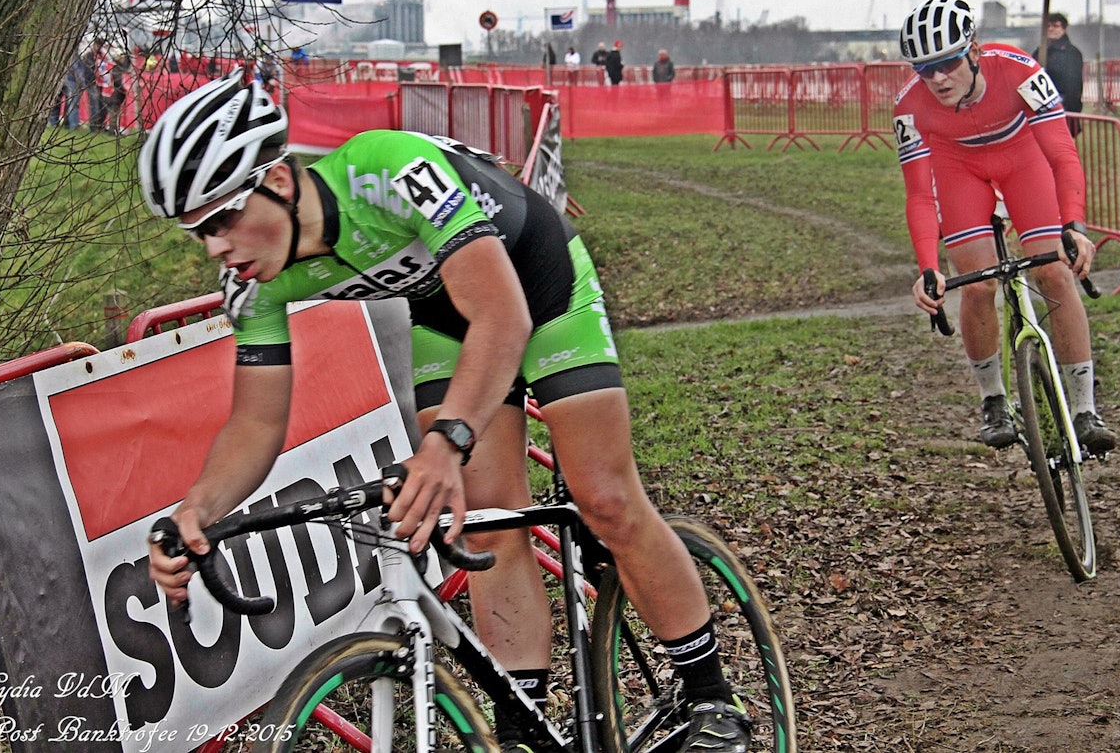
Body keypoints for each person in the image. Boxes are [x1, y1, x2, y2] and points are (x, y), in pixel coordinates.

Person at [140, 71, 752, 753]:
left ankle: (709, 694)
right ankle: (526, 726)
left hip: (534, 285)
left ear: (278, 182)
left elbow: (502, 313)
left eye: (221, 218)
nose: (215, 247)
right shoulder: (253, 284)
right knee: (487, 524)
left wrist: (444, 444)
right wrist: (197, 508)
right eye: (197, 231)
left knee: (605, 496)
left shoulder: (389, 168)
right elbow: (255, 423)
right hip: (445, 316)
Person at [893, 0, 1117, 454]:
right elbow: (919, 193)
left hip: (1023, 160)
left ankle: (1084, 408)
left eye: (947, 62)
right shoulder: (910, 106)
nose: (936, 77)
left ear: (972, 51)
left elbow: (1060, 152)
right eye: (923, 68)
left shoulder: (1019, 72)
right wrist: (928, 265)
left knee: (1053, 271)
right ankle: (993, 399)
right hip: (958, 171)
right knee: (976, 286)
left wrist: (1073, 224)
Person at [1042, 13, 1084, 137]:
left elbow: (1073, 85)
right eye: (1048, 25)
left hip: (1063, 108)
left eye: (1055, 25)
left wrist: (1070, 109)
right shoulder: (1041, 51)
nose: (1050, 29)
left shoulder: (1071, 53)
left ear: (1063, 28)